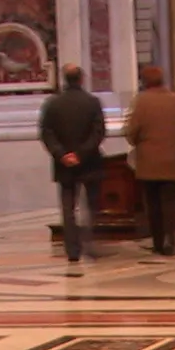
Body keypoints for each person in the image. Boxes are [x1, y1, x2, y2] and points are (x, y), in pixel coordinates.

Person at [39, 63, 107, 263]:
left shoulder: (52, 103)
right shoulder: (92, 102)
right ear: (81, 79)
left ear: (64, 79)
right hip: (89, 161)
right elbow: (98, 132)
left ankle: (72, 251)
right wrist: (81, 154)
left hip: (64, 165)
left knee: (68, 210)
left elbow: (46, 132)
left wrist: (62, 155)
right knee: (91, 206)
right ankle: (89, 243)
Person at [124, 65, 175, 256]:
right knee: (171, 202)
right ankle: (171, 238)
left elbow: (132, 131)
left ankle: (158, 242)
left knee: (152, 204)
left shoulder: (141, 101)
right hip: (171, 160)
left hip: (148, 161)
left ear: (144, 81)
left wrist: (136, 142)